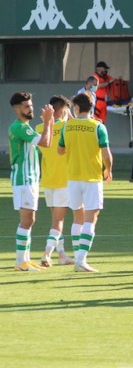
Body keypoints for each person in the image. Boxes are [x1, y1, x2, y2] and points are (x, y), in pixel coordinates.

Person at [58, 92, 113, 273]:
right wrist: (108, 170)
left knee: (77, 218)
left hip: (73, 178)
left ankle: (77, 257)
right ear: (91, 107)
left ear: (76, 107)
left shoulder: (67, 127)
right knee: (91, 217)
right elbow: (106, 154)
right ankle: (81, 260)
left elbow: (60, 150)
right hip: (91, 178)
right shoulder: (98, 127)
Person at [9, 92, 55, 271]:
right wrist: (49, 122)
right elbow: (45, 142)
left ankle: (25, 260)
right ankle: (20, 261)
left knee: (30, 219)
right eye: (27, 106)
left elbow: (46, 142)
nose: (31, 109)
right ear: (17, 109)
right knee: (27, 220)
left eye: (31, 105)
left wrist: (48, 123)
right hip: (23, 178)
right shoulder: (20, 127)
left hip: (30, 179)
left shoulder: (25, 127)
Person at [37, 96, 79, 267]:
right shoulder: (67, 127)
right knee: (58, 221)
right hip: (64, 179)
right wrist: (71, 118)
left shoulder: (40, 127)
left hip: (48, 178)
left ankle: (61, 254)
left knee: (55, 218)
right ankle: (47, 253)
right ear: (63, 109)